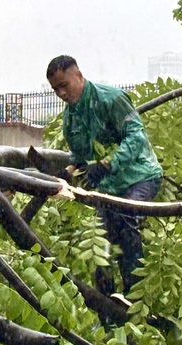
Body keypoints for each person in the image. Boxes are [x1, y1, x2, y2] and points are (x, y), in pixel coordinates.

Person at [46, 54, 162, 295]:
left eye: (64, 86)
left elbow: (136, 137)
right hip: (109, 186)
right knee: (98, 239)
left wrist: (108, 163)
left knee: (126, 218)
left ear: (78, 76)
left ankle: (135, 298)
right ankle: (107, 305)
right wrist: (68, 173)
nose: (61, 94)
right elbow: (79, 157)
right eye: (55, 89)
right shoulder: (69, 119)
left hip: (140, 176)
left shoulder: (111, 98)